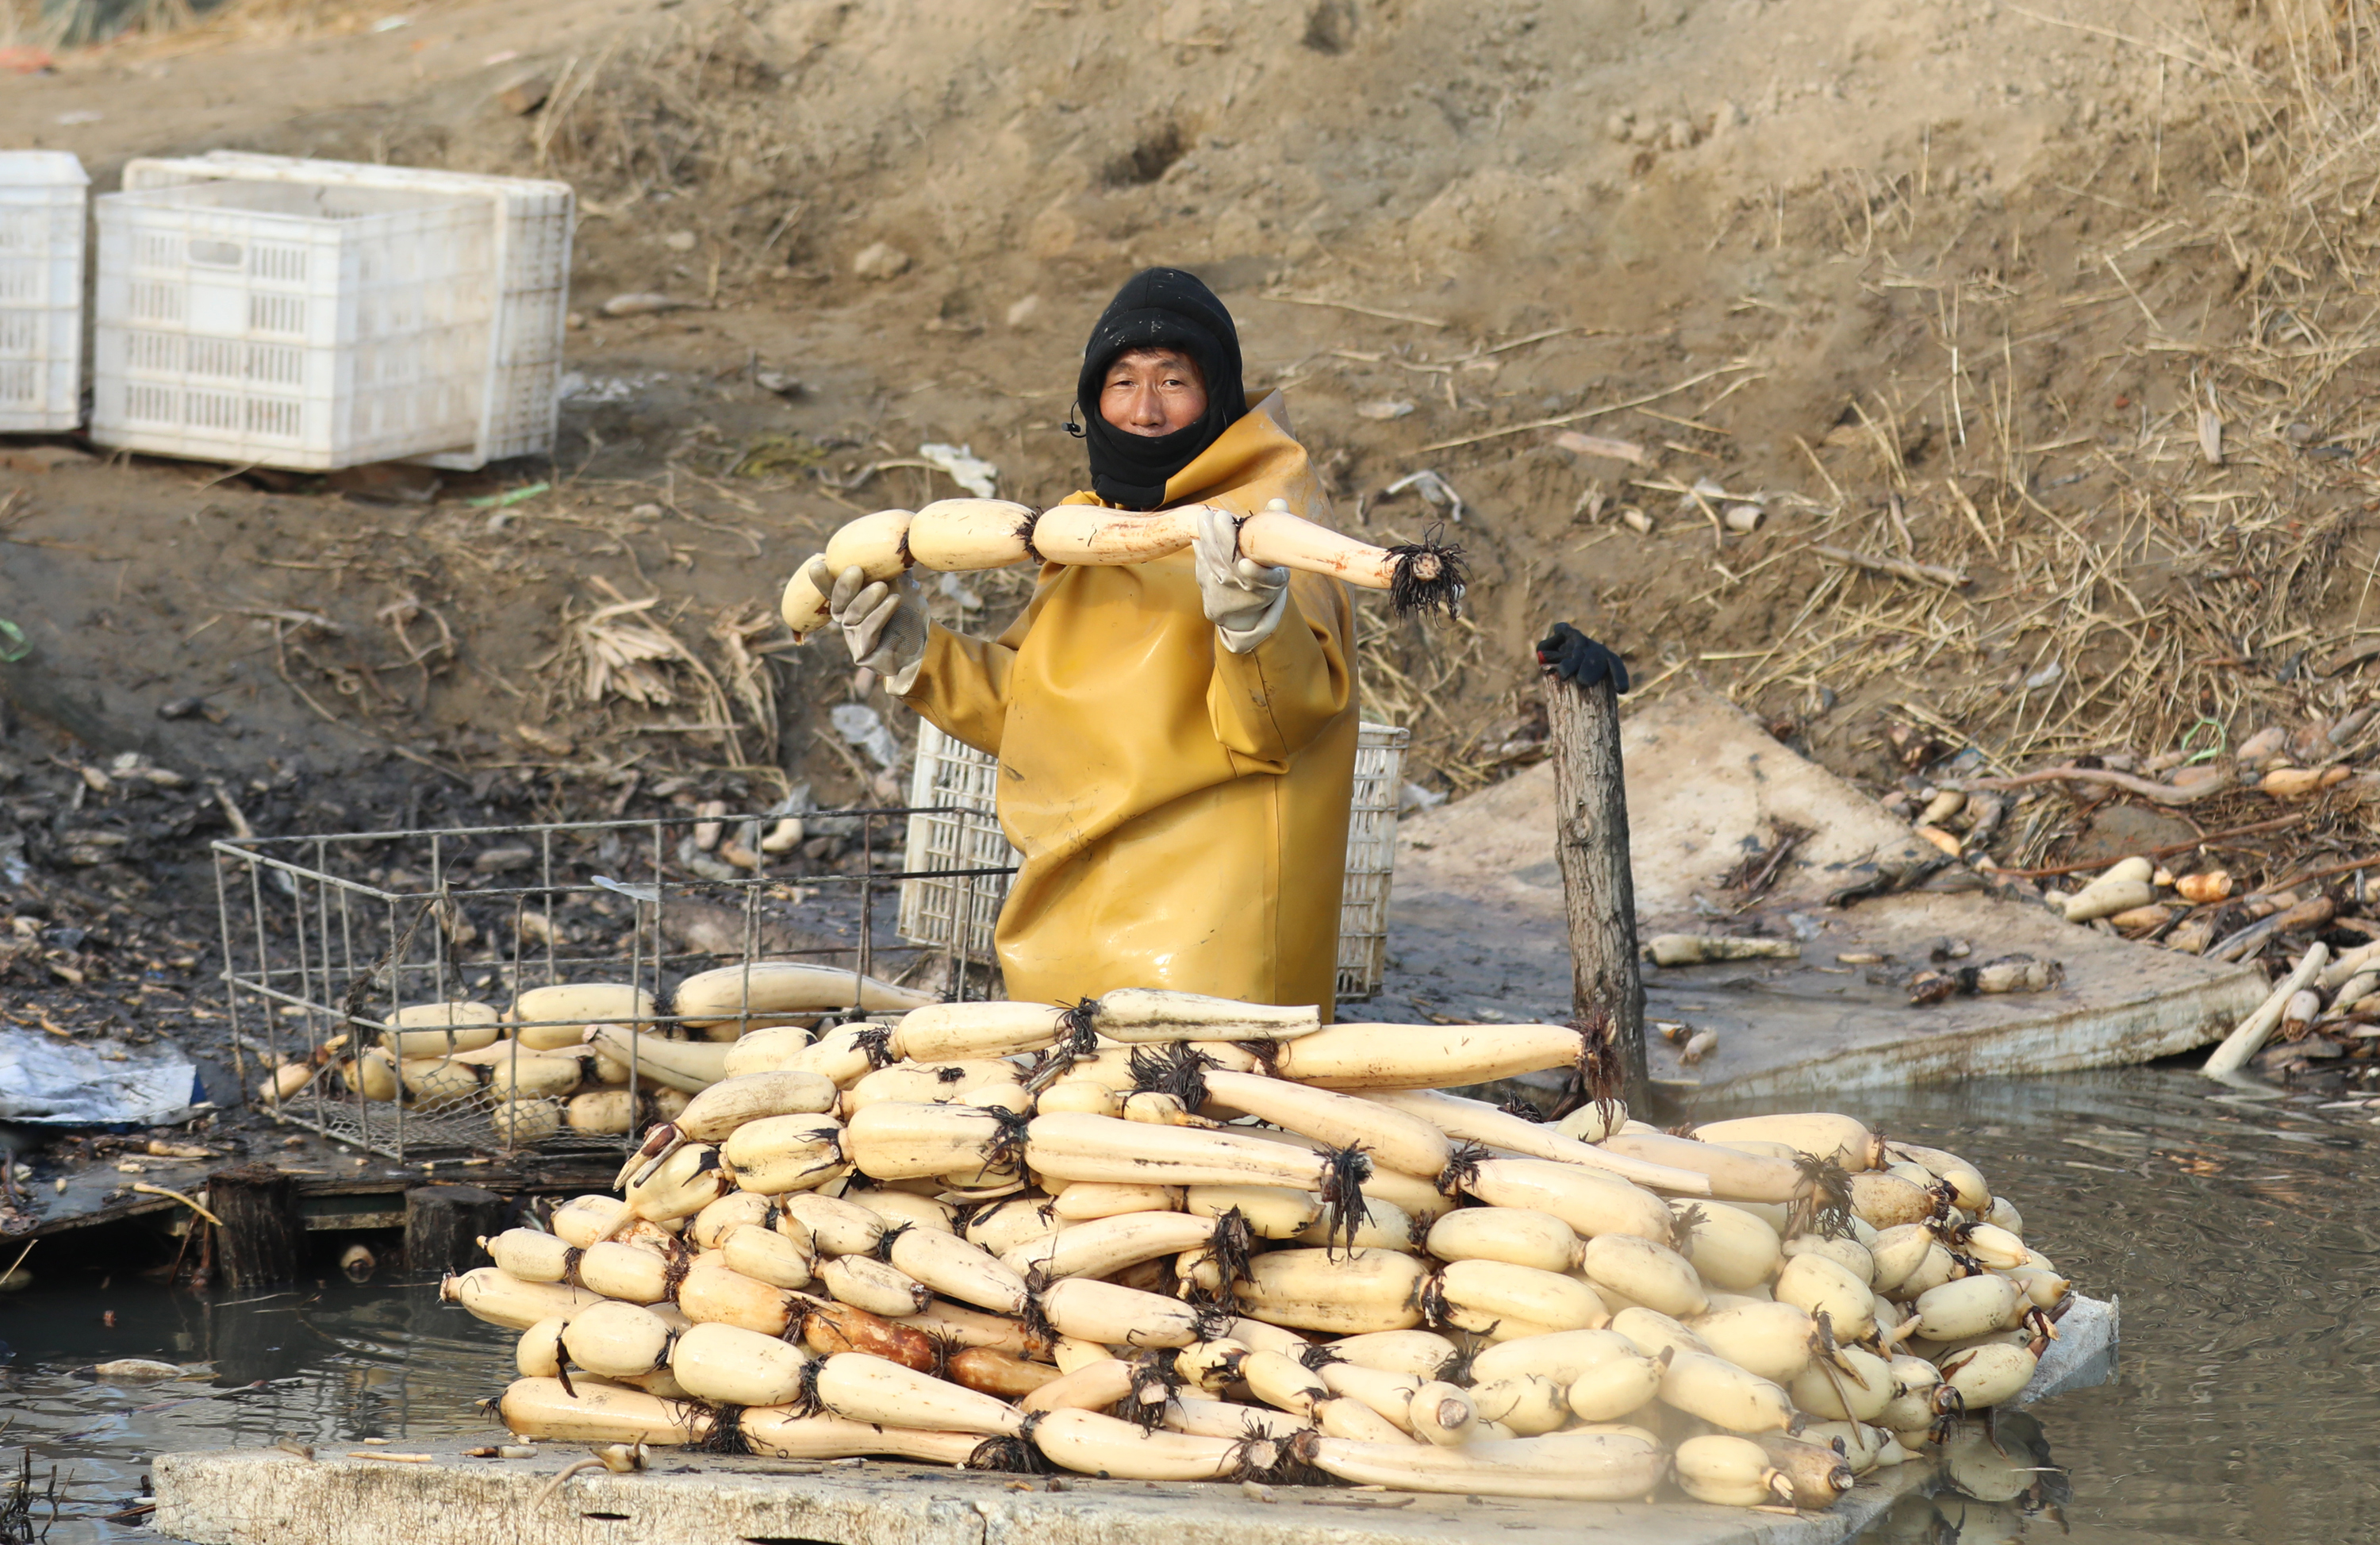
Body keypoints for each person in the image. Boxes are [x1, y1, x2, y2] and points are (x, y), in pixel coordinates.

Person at [807, 268, 1357, 1015]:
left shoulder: (1268, 527)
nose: (1145, 410)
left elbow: (1283, 725)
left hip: (1211, 946)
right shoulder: (1089, 527)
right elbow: (1040, 708)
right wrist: (919, 657)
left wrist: (1256, 624)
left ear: (1220, 396)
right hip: (1063, 933)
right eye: (1123, 382)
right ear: (1091, 402)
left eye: (1174, 380)